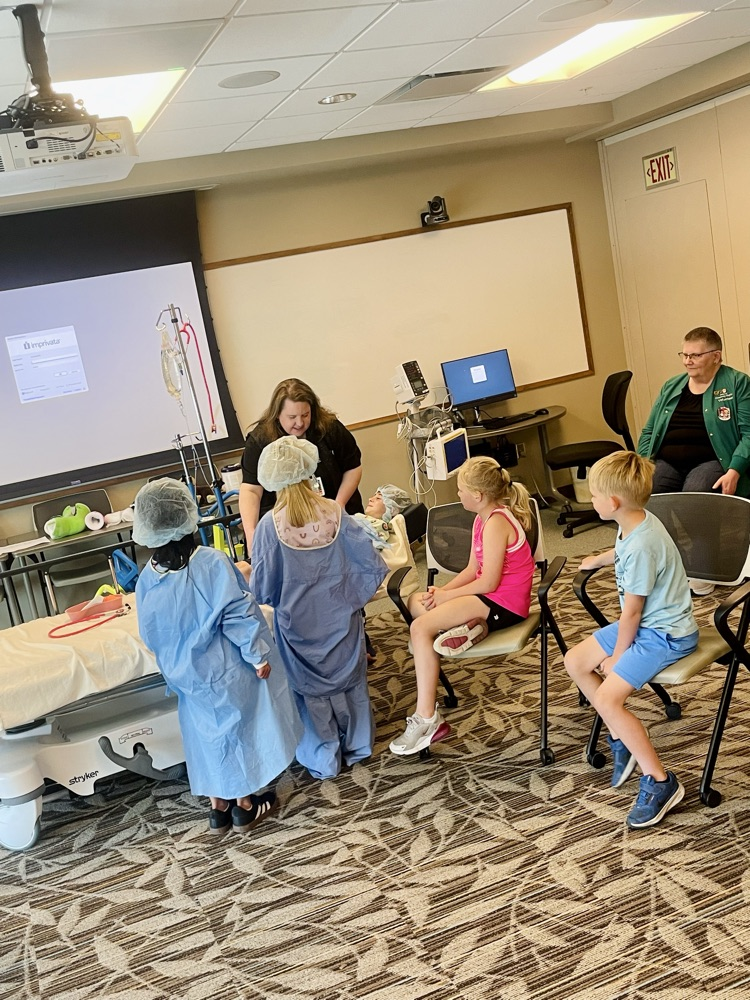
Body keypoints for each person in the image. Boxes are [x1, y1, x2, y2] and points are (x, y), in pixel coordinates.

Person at [133, 478, 302, 835]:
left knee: (205, 736)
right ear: (186, 519)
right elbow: (236, 614)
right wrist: (257, 656)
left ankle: (217, 807)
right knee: (236, 730)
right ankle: (244, 805)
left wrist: (175, 667)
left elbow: (151, 633)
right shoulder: (209, 562)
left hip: (185, 676)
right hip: (225, 669)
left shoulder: (147, 579)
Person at [564, 451, 699, 829]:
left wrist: (617, 658)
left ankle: (661, 782)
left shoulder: (642, 544)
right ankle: (621, 736)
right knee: (574, 661)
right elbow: (627, 551)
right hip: (646, 627)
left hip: (666, 635)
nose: (590, 500)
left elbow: (633, 614)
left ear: (613, 502)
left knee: (608, 695)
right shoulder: (633, 523)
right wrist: (603, 558)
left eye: (593, 495)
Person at [250, 436, 388, 780]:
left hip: (297, 628)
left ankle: (323, 755)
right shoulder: (334, 513)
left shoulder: (269, 526)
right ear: (308, 469)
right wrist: (345, 600)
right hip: (341, 621)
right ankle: (358, 745)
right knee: (351, 684)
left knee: (310, 694)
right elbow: (370, 567)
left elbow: (264, 589)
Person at [389, 456, 535, 756]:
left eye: (460, 490)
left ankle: (427, 718)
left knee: (419, 627)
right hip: (486, 599)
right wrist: (442, 591)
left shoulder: (496, 523)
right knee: (417, 603)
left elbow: (489, 583)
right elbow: (471, 570)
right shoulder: (483, 518)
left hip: (503, 604)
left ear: (478, 495)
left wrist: (447, 599)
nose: (458, 495)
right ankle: (467, 627)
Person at [239, 378, 364, 553]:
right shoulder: (260, 440)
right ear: (277, 414)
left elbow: (353, 466)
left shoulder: (328, 427)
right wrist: (251, 533)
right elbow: (251, 490)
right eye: (292, 417)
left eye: (305, 415)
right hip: (289, 530)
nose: (299, 423)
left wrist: (338, 506)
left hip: (336, 516)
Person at [637, 326, 750, 498]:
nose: (687, 361)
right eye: (684, 355)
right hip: (667, 462)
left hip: (711, 461)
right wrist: (644, 464)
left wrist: (734, 470)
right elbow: (649, 431)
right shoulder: (671, 386)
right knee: (647, 493)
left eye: (695, 356)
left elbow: (749, 433)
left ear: (716, 357)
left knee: (694, 498)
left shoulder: (737, 383)